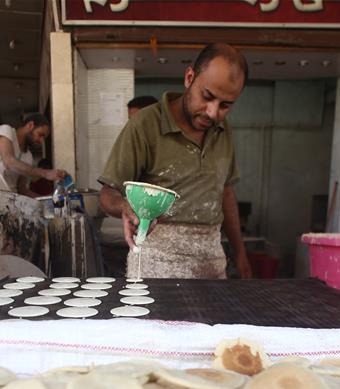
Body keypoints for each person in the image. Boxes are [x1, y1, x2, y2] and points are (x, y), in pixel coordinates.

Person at [98, 43, 252, 279]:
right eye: (207, 96)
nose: (212, 112)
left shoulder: (222, 130)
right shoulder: (146, 124)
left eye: (225, 105)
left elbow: (226, 192)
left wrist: (240, 254)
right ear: (189, 77)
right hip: (156, 260)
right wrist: (125, 207)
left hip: (210, 259)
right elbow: (107, 193)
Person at [0, 113, 66, 197]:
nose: (41, 141)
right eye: (40, 135)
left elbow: (22, 190)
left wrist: (47, 199)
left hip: (5, 205)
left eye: (44, 138)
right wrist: (45, 173)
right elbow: (9, 162)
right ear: (30, 125)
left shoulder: (28, 156)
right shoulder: (5, 130)